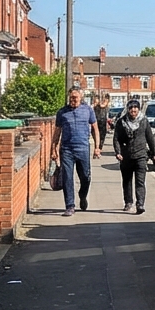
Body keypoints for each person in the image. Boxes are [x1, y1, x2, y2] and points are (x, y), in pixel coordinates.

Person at [53, 87, 99, 216]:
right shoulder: (62, 112)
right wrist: (54, 148)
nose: (73, 100)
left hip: (83, 148)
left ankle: (82, 195)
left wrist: (97, 147)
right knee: (67, 177)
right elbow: (57, 132)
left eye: (75, 97)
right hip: (67, 149)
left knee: (86, 177)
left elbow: (95, 128)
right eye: (71, 97)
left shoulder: (88, 110)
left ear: (81, 98)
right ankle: (70, 206)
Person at [113, 99, 155, 214]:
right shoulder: (121, 122)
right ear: (128, 109)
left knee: (140, 182)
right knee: (127, 181)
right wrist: (118, 152)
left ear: (138, 109)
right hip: (126, 156)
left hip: (141, 156)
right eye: (131, 108)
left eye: (135, 108)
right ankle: (128, 202)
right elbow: (116, 138)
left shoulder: (144, 121)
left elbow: (150, 138)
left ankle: (140, 204)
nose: (133, 110)